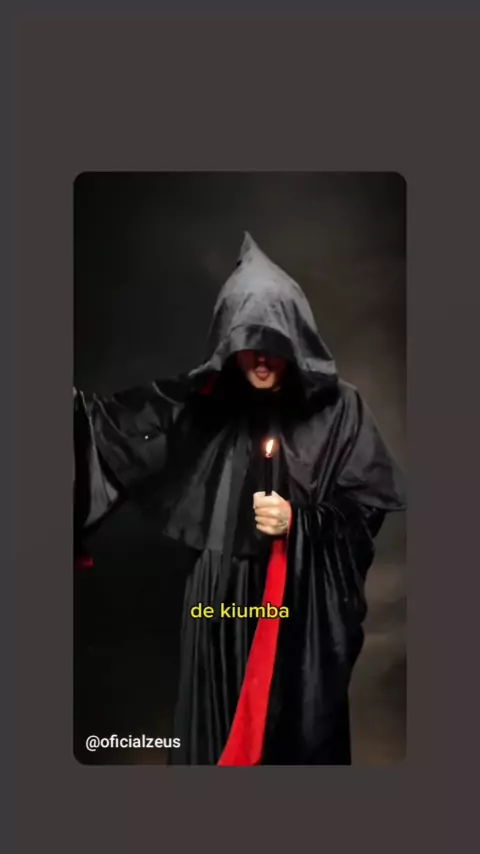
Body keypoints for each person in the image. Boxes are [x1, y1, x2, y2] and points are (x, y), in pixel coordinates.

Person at [74, 232, 405, 765]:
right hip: (218, 598)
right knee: (217, 732)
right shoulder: (207, 402)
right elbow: (113, 432)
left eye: (273, 344)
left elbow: (364, 508)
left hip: (295, 598)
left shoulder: (341, 409)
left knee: (286, 737)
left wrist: (300, 523)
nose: (262, 361)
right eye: (248, 344)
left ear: (294, 339)